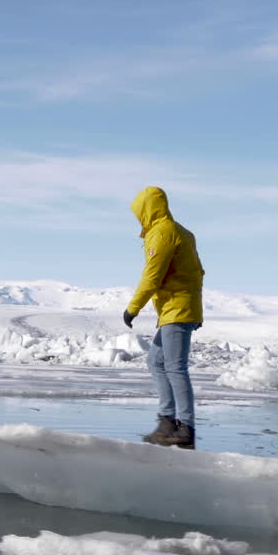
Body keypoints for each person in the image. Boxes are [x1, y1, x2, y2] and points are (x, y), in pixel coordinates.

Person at [122, 186, 205, 450]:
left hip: (177, 310)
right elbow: (196, 272)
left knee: (175, 366)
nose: (138, 219)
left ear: (147, 210)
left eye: (140, 213)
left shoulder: (163, 233)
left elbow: (152, 276)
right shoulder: (181, 231)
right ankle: (167, 422)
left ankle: (185, 427)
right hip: (177, 308)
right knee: (156, 361)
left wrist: (133, 308)